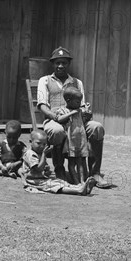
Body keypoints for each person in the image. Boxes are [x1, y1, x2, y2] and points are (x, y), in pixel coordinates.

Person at [36, 47, 109, 187]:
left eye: (64, 62)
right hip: (55, 119)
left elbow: (81, 105)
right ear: (53, 64)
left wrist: (86, 112)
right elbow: (42, 105)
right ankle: (59, 170)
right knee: (57, 131)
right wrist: (55, 116)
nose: (60, 66)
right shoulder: (45, 80)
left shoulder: (77, 82)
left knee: (97, 128)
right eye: (57, 63)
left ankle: (95, 173)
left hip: (77, 120)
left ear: (68, 64)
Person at [19, 130, 97, 195]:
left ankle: (81, 187)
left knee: (60, 181)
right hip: (34, 181)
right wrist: (44, 155)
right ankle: (78, 190)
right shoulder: (30, 153)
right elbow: (38, 169)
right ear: (30, 142)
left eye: (44, 144)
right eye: (38, 143)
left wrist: (46, 169)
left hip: (42, 178)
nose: (42, 146)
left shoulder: (39, 153)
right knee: (55, 186)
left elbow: (42, 168)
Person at [55, 86, 90, 184]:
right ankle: (76, 182)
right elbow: (59, 119)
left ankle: (82, 181)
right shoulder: (63, 110)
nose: (80, 104)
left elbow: (87, 117)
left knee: (81, 162)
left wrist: (87, 110)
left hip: (81, 141)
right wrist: (71, 113)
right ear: (68, 101)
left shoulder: (80, 111)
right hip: (70, 142)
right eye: (77, 102)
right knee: (71, 163)